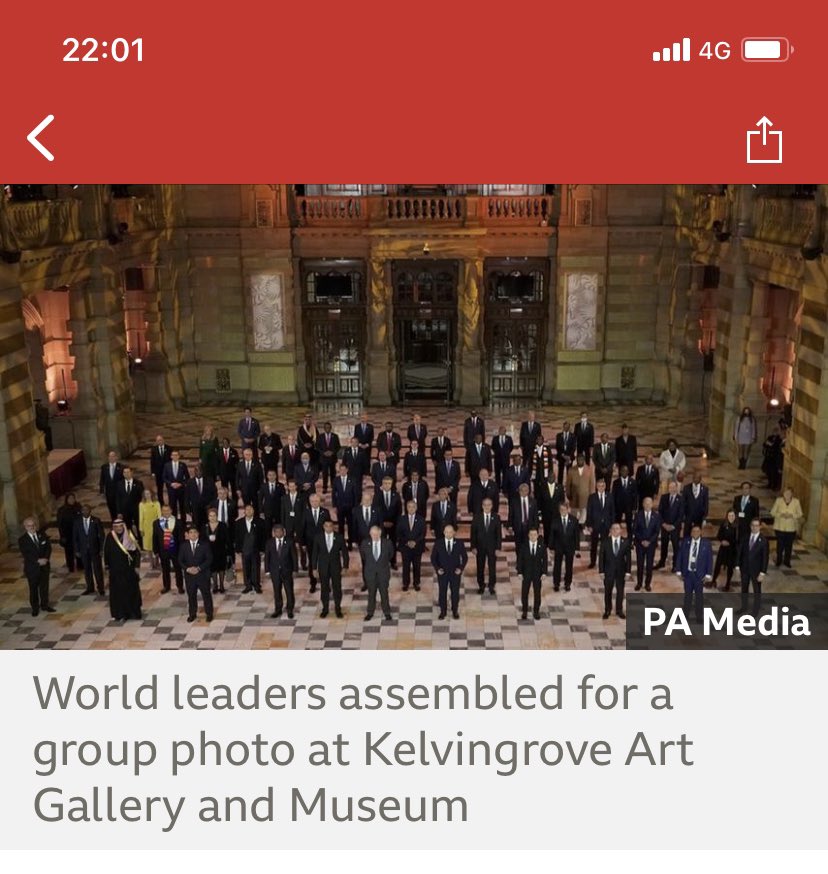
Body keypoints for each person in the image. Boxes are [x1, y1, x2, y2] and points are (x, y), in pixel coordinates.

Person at [104, 517, 142, 622]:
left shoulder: (129, 536)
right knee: (118, 592)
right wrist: (107, 566)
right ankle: (120, 613)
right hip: (116, 571)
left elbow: (137, 553)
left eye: (121, 526)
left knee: (131, 591)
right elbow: (106, 552)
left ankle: (133, 613)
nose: (119, 528)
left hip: (129, 570)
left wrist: (137, 566)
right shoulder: (110, 537)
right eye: (116, 527)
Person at [676, 524, 713, 623]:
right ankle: (685, 615)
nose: (695, 533)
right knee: (687, 596)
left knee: (699, 597)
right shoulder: (685, 542)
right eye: (693, 531)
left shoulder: (706, 543)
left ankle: (699, 616)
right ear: (691, 532)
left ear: (701, 532)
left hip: (699, 575)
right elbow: (680, 556)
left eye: (697, 531)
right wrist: (679, 571)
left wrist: (708, 574)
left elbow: (709, 559)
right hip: (688, 574)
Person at [312, 518, 349, 618]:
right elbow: (314, 554)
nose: (328, 528)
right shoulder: (318, 537)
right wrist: (314, 568)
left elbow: (345, 553)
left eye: (330, 526)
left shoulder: (339, 537)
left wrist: (345, 566)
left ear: (333, 527)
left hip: (336, 567)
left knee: (337, 588)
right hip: (323, 567)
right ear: (323, 527)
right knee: (324, 589)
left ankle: (338, 608)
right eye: (326, 526)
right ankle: (325, 609)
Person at [430, 523, 468, 620]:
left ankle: (455, 611)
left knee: (455, 592)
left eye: (450, 532)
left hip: (455, 573)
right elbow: (433, 558)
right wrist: (438, 569)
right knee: (442, 592)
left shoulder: (459, 543)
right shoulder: (438, 543)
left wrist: (460, 568)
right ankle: (443, 611)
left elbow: (465, 557)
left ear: (454, 533)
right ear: (443, 533)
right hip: (443, 573)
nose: (448, 534)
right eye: (446, 532)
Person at [18, 516, 54, 617]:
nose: (32, 527)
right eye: (29, 526)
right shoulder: (22, 540)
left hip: (44, 566)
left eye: (33, 525)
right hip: (32, 569)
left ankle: (45, 605)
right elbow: (26, 554)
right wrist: (37, 561)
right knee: (33, 589)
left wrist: (46, 559)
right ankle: (35, 608)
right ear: (25, 527)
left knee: (44, 587)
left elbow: (48, 548)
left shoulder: (42, 535)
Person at [178, 525, 214, 623]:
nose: (193, 534)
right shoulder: (183, 546)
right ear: (188, 535)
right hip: (190, 576)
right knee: (191, 596)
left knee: (206, 595)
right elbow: (180, 560)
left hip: (202, 575)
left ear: (198, 534)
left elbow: (209, 559)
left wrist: (199, 568)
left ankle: (209, 614)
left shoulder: (204, 545)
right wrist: (187, 568)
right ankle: (192, 614)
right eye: (191, 533)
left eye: (195, 532)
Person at [599, 523, 632, 620]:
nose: (615, 530)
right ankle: (607, 610)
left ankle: (619, 610)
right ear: (610, 530)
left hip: (621, 572)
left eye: (617, 529)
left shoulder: (626, 542)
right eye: (613, 528)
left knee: (620, 592)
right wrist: (601, 571)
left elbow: (628, 559)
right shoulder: (605, 542)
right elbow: (601, 558)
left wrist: (628, 572)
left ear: (621, 531)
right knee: (608, 591)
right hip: (608, 571)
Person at [470, 496, 502, 595]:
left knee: (492, 567)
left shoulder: (496, 517)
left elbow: (499, 534)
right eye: (485, 505)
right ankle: (481, 585)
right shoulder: (477, 517)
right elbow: (473, 534)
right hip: (480, 547)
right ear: (482, 506)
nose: (487, 507)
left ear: (492, 506)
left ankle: (491, 586)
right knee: (480, 567)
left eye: (489, 505)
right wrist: (473, 547)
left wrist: (498, 548)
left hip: (492, 548)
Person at [361, 526, 393, 622]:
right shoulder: (365, 543)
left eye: (376, 534)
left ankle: (387, 612)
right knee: (371, 593)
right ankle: (370, 612)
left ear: (380, 533)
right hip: (370, 573)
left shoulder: (387, 543)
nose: (374, 536)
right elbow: (363, 556)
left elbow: (390, 555)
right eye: (372, 534)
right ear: (370, 534)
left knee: (384, 593)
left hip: (383, 573)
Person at [73, 504, 105, 596]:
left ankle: (101, 588)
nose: (85, 511)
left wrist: (101, 549)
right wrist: (77, 550)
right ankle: (90, 587)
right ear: (81, 511)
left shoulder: (96, 521)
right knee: (87, 570)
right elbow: (75, 538)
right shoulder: (77, 522)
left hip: (95, 550)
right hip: (83, 551)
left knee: (97, 569)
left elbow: (101, 536)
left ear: (90, 511)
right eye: (83, 510)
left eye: (87, 510)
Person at [265, 523, 295, 619]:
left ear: (284, 532)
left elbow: (294, 557)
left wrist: (294, 569)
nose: (278, 533)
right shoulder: (270, 543)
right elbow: (267, 558)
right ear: (273, 533)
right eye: (276, 532)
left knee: (289, 591)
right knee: (277, 591)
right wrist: (267, 570)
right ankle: (278, 609)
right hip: (275, 572)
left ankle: (290, 609)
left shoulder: (289, 542)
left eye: (280, 531)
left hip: (287, 571)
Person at [739, 518, 769, 614]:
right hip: (745, 568)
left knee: (756, 590)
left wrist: (762, 573)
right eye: (753, 525)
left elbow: (765, 558)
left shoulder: (763, 541)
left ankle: (755, 611)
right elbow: (740, 552)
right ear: (750, 526)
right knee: (744, 589)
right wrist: (737, 565)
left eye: (756, 525)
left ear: (760, 526)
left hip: (756, 570)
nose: (754, 527)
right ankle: (744, 607)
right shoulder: (745, 537)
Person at [152, 504, 184, 593]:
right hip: (163, 550)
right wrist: (156, 551)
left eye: (168, 510)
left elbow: (181, 538)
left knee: (178, 569)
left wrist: (182, 550)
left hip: (175, 550)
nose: (166, 512)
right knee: (165, 569)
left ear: (171, 511)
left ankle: (180, 586)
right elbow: (155, 537)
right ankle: (166, 586)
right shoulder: (156, 523)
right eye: (164, 510)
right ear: (161, 511)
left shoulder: (178, 522)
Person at [517, 528, 547, 620]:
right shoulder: (523, 546)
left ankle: (536, 611)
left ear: (537, 535)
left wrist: (544, 573)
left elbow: (544, 560)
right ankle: (525, 611)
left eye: (535, 535)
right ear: (528, 536)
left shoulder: (542, 546)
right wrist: (520, 572)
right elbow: (520, 560)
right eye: (531, 535)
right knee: (524, 593)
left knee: (537, 593)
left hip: (537, 574)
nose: (533, 536)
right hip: (526, 573)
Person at [396, 499, 426, 592]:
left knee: (417, 566)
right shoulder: (402, 519)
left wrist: (415, 542)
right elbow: (398, 533)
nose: (411, 508)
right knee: (406, 566)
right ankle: (406, 583)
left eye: (413, 507)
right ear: (406, 508)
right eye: (409, 507)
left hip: (417, 547)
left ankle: (416, 583)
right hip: (405, 547)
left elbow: (423, 534)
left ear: (416, 508)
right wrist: (408, 542)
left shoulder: (421, 519)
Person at [301, 494, 330, 590]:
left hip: (323, 542)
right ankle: (313, 582)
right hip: (310, 542)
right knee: (312, 562)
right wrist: (303, 543)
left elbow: (329, 527)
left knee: (324, 562)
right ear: (310, 502)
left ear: (319, 501)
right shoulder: (305, 513)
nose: (315, 503)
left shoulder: (325, 512)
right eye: (312, 501)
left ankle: (325, 582)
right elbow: (302, 529)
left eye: (316, 501)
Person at [234, 504, 264, 594]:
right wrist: (238, 550)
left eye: (251, 509)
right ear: (244, 511)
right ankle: (248, 585)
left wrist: (262, 549)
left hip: (255, 549)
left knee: (256, 568)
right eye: (247, 509)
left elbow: (263, 536)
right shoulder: (239, 523)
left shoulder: (260, 522)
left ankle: (257, 585)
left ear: (253, 511)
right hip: (244, 549)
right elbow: (237, 537)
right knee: (246, 568)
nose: (249, 511)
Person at [770, 488, 803, 568]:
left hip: (791, 528)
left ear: (792, 494)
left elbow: (800, 514)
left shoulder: (796, 502)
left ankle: (787, 561)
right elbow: (772, 512)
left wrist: (792, 515)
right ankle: (779, 560)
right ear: (783, 493)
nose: (787, 494)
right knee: (780, 546)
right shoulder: (779, 501)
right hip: (779, 527)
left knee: (789, 546)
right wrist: (781, 515)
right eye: (786, 492)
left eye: (789, 493)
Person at [550, 500, 579, 592]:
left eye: (564, 509)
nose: (563, 511)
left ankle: (567, 584)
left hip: (570, 547)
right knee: (557, 566)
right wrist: (551, 547)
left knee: (569, 567)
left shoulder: (574, 520)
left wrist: (577, 548)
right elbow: (552, 535)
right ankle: (556, 583)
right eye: (561, 510)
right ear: (559, 510)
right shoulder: (555, 520)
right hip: (558, 546)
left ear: (568, 509)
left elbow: (576, 535)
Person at [585, 480, 614, 569]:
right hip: (595, 525)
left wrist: (612, 526)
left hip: (606, 525)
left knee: (605, 545)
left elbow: (612, 512)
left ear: (605, 486)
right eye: (599, 486)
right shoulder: (592, 497)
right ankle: (592, 562)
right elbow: (589, 511)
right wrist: (589, 525)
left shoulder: (609, 496)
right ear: (596, 487)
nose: (601, 487)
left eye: (602, 486)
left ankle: (604, 562)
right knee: (594, 545)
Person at [656, 481, 685, 572]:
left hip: (675, 528)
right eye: (670, 487)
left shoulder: (681, 499)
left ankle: (675, 565)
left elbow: (681, 515)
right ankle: (662, 562)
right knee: (664, 545)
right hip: (664, 526)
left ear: (676, 488)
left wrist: (673, 526)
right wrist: (663, 524)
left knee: (676, 546)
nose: (672, 489)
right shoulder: (664, 497)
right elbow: (660, 512)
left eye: (673, 487)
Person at [374, 476, 401, 570]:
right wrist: (382, 523)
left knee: (393, 544)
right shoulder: (377, 495)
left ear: (392, 484)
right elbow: (375, 511)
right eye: (385, 483)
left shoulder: (396, 495)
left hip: (393, 525)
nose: (387, 485)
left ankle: (393, 562)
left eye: (389, 483)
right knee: (382, 544)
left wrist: (394, 522)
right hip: (382, 525)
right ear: (382, 484)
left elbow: (399, 511)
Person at [633, 497, 661, 591]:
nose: (648, 505)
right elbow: (635, 530)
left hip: (651, 545)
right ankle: (639, 583)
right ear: (643, 504)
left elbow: (657, 532)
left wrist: (649, 541)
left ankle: (647, 584)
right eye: (646, 503)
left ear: (652, 504)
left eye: (649, 503)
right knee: (640, 565)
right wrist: (642, 541)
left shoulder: (656, 516)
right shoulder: (638, 515)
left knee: (649, 565)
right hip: (640, 544)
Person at [203, 508, 230, 594]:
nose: (212, 517)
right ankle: (215, 585)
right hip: (210, 551)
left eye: (214, 515)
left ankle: (221, 585)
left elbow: (227, 539)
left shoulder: (222, 525)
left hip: (221, 550)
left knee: (221, 568)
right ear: (208, 517)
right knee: (213, 569)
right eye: (210, 516)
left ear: (217, 516)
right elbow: (202, 540)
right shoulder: (205, 526)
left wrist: (229, 551)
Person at [711, 509, 739, 591]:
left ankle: (727, 584)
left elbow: (738, 540)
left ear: (735, 517)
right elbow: (719, 535)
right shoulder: (724, 524)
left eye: (733, 516)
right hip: (723, 548)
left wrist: (729, 543)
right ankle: (713, 580)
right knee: (718, 564)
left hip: (732, 550)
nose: (731, 517)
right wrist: (722, 540)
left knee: (730, 567)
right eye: (729, 515)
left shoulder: (737, 527)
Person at [565, 453, 594, 531]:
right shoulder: (571, 470)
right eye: (578, 460)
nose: (579, 461)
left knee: (583, 510)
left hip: (585, 495)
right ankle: (573, 523)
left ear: (584, 460)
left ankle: (582, 524)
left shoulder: (589, 469)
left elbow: (592, 483)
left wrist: (592, 495)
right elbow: (568, 483)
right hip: (574, 494)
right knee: (574, 510)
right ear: (576, 460)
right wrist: (568, 493)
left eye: (581, 459)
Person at [186, 463, 217, 530]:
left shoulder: (210, 480)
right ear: (194, 471)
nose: (198, 472)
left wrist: (211, 505)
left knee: (207, 525)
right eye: (196, 470)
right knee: (197, 525)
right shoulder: (190, 482)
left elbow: (214, 494)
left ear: (203, 471)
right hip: (195, 508)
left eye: (200, 470)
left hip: (207, 507)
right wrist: (188, 509)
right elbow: (187, 497)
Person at [56, 492, 81, 572]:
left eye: (73, 498)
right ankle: (71, 566)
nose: (72, 500)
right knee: (69, 551)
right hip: (67, 534)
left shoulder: (78, 507)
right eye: (70, 499)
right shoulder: (62, 510)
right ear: (67, 500)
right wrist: (62, 535)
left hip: (78, 533)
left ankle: (80, 565)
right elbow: (60, 524)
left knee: (79, 549)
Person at [115, 466, 144, 533]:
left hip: (136, 510)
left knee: (139, 527)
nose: (126, 474)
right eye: (124, 472)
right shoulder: (119, 484)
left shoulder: (138, 483)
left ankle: (140, 542)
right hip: (125, 511)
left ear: (131, 473)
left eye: (128, 472)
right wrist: (119, 512)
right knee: (128, 529)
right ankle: (130, 542)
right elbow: (118, 499)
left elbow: (142, 497)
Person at [508, 482, 537, 549]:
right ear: (519, 491)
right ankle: (519, 559)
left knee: (528, 546)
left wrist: (535, 527)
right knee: (518, 546)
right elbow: (511, 514)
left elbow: (535, 516)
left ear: (528, 491)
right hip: (518, 527)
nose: (524, 492)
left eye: (526, 490)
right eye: (522, 490)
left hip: (529, 527)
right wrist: (510, 525)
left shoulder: (533, 501)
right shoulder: (514, 501)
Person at [681, 472, 709, 538]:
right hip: (688, 517)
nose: (696, 479)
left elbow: (706, 503)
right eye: (695, 478)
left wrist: (704, 517)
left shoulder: (704, 489)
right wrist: (683, 516)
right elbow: (683, 503)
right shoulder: (686, 488)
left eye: (698, 478)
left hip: (699, 517)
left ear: (700, 479)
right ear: (692, 478)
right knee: (687, 535)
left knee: (697, 535)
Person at [258, 468, 285, 537]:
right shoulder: (263, 486)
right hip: (267, 511)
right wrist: (261, 511)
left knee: (279, 529)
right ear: (267, 476)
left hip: (278, 511)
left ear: (276, 476)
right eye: (270, 475)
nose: (271, 477)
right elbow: (260, 499)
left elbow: (284, 500)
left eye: (273, 475)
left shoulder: (281, 486)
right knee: (267, 529)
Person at [163, 450, 189, 519]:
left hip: (181, 490)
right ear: (171, 456)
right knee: (172, 507)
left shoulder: (183, 465)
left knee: (182, 507)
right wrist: (171, 484)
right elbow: (164, 477)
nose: (175, 456)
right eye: (173, 455)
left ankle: (183, 523)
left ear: (179, 456)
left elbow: (187, 478)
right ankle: (174, 522)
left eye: (176, 455)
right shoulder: (167, 465)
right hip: (171, 490)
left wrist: (181, 484)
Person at [316, 422, 341, 493]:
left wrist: (332, 452)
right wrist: (323, 452)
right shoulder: (320, 436)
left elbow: (338, 446)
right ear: (324, 428)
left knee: (333, 473)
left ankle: (333, 486)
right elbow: (317, 447)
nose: (327, 429)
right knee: (325, 474)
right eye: (326, 427)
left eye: (329, 428)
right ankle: (324, 487)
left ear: (331, 428)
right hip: (323, 459)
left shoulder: (335, 436)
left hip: (332, 458)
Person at [236, 448, 263, 512]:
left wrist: (260, 489)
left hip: (255, 490)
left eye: (249, 454)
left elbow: (261, 477)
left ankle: (256, 519)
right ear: (244, 455)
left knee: (256, 506)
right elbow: (237, 478)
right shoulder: (240, 464)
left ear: (252, 455)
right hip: (244, 490)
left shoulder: (257, 464)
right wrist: (238, 489)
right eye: (246, 454)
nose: (248, 456)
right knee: (246, 506)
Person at [99, 450, 124, 519]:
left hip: (119, 492)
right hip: (109, 493)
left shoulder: (121, 467)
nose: (111, 458)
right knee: (111, 509)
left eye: (113, 456)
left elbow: (123, 480)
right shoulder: (104, 467)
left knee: (119, 509)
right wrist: (101, 491)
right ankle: (114, 522)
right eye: (110, 456)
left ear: (116, 457)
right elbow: (102, 479)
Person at [611, 465, 638, 529]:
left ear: (628, 472)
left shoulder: (633, 482)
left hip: (629, 506)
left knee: (629, 524)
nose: (624, 472)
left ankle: (629, 537)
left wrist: (634, 507)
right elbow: (613, 495)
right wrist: (613, 507)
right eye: (622, 471)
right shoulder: (616, 482)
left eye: (625, 471)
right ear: (620, 472)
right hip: (618, 507)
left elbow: (635, 496)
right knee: (617, 523)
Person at [138, 488, 161, 561]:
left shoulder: (156, 503)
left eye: (148, 493)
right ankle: (151, 562)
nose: (147, 495)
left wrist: (160, 526)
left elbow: (159, 515)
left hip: (155, 526)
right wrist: (141, 529)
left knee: (156, 545)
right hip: (146, 527)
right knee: (148, 546)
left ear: (151, 494)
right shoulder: (141, 504)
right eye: (146, 494)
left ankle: (156, 560)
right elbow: (141, 517)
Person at [150, 435, 173, 504]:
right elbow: (152, 461)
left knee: (169, 487)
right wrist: (153, 472)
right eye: (158, 440)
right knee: (159, 488)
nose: (159, 441)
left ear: (163, 440)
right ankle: (161, 502)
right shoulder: (154, 449)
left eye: (160, 440)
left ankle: (171, 502)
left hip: (168, 472)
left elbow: (171, 460)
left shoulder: (169, 448)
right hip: (158, 472)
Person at [761, 426, 784, 491]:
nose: (775, 432)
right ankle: (769, 483)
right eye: (774, 431)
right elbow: (764, 444)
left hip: (774, 458)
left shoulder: (779, 439)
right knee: (768, 471)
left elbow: (776, 447)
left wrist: (770, 445)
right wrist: (768, 444)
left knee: (774, 472)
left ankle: (774, 485)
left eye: (776, 431)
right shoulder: (770, 437)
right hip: (768, 457)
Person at [492, 425, 515, 490]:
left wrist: (506, 453)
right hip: (497, 460)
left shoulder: (509, 438)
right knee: (497, 474)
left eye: (503, 430)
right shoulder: (495, 438)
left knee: (506, 474)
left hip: (505, 460)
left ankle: (505, 488)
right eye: (500, 430)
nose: (502, 432)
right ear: (499, 431)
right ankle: (498, 488)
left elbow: (511, 447)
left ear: (505, 431)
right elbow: (493, 447)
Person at [355, 413, 374, 478]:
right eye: (362, 418)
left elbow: (372, 437)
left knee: (367, 459)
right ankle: (360, 471)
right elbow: (355, 436)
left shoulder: (370, 426)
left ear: (367, 418)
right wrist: (359, 444)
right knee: (360, 459)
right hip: (359, 446)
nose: (363, 419)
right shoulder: (357, 426)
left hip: (367, 446)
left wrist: (367, 444)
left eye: (364, 418)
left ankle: (367, 472)